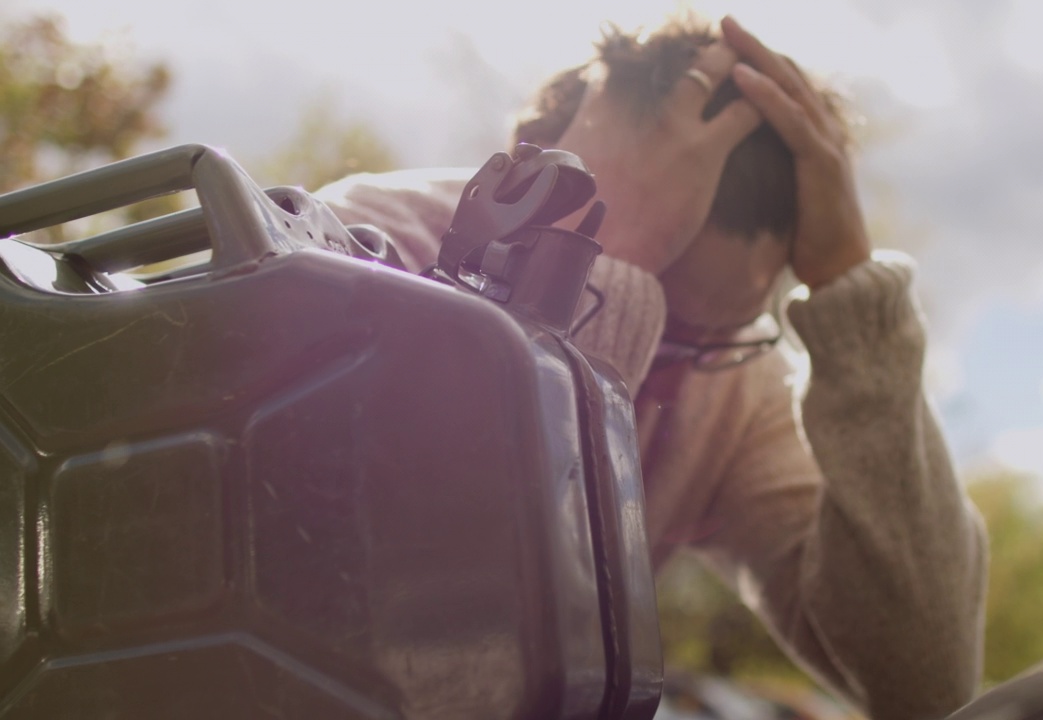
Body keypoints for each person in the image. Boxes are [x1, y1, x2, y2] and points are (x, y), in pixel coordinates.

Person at [317, 14, 988, 720]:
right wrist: (594, 259)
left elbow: (925, 681)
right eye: (653, 322)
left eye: (712, 337)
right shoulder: (360, 244)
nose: (666, 383)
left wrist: (852, 295)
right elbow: (421, 640)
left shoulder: (733, 380)